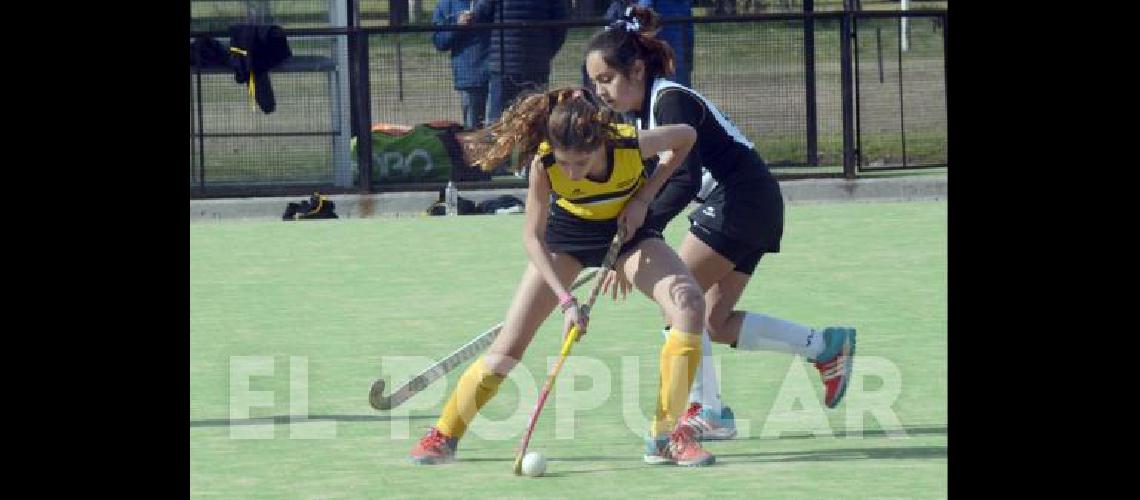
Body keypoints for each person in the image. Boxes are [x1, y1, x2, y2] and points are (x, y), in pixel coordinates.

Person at [584, 6, 857, 441]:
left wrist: (638, 233)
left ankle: (708, 411)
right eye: (595, 82)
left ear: (636, 69)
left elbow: (685, 177)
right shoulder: (639, 115)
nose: (600, 92)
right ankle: (824, 347)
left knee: (678, 301)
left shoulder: (669, 100)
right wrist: (616, 233)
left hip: (739, 200)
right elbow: (644, 182)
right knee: (712, 321)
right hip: (753, 204)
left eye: (606, 80)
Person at [409, 86, 716, 467]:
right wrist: (565, 301)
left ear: (601, 142)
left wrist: (643, 198)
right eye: (565, 162)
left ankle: (664, 436)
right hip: (567, 238)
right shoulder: (544, 164)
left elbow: (686, 137)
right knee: (509, 346)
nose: (572, 171)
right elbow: (531, 238)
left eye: (582, 163)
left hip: (628, 235)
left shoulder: (628, 144)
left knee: (688, 303)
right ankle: (443, 434)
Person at [470, 0, 570, 124]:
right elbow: (561, 26)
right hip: (533, 64)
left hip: (505, 64)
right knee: (535, 119)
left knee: (498, 122)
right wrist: (545, 53)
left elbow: (479, 17)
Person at [432, 0, 490, 130]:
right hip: (470, 78)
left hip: (500, 76)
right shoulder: (447, 5)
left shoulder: (493, 3)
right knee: (473, 130)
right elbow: (439, 41)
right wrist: (458, 26)